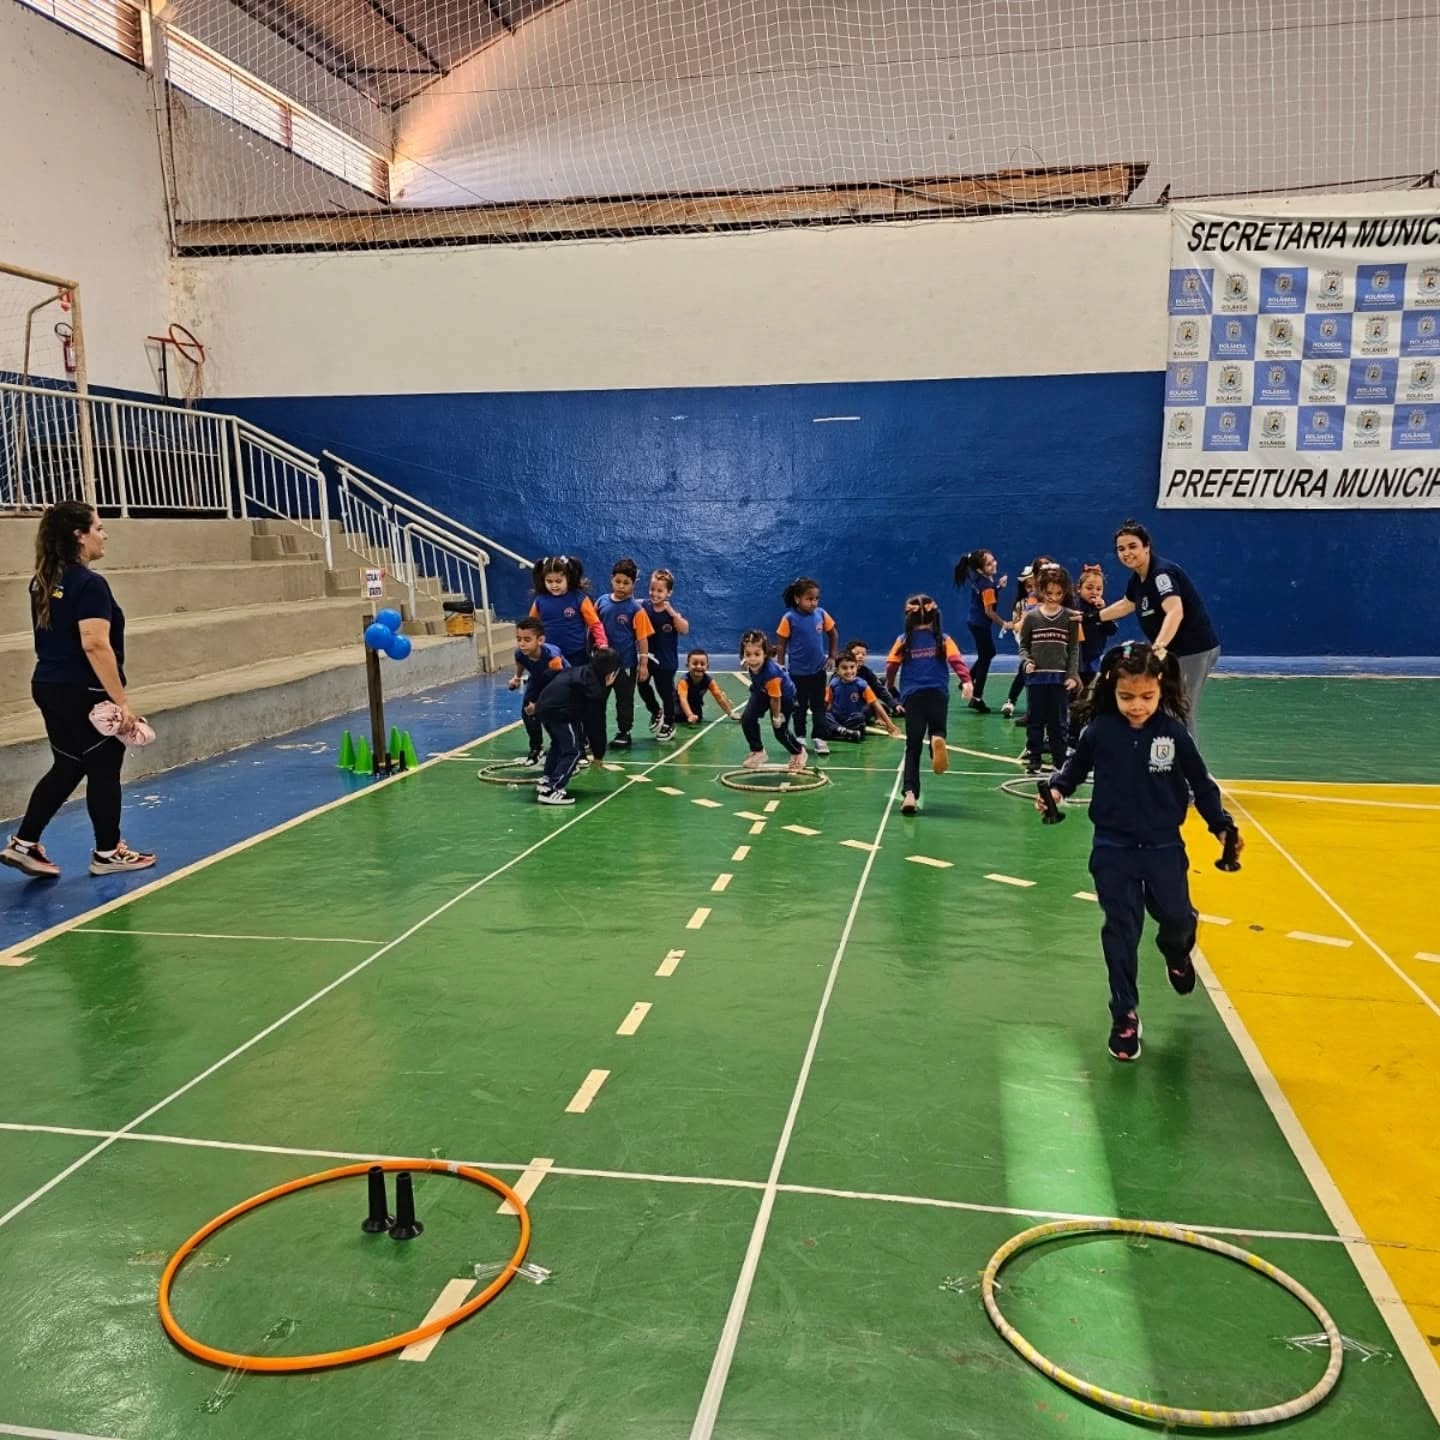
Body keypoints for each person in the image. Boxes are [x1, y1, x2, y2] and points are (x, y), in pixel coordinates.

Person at [1040, 642, 1241, 1062]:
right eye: (1127, 697)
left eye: (1147, 697)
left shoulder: (1173, 733)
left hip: (1164, 846)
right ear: (1111, 690)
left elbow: (1201, 785)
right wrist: (1056, 791)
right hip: (1112, 847)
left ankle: (1177, 953)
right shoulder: (1099, 731)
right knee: (1121, 930)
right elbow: (1073, 771)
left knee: (1177, 919)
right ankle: (1124, 1015)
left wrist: (1221, 825)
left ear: (1161, 688)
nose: (1137, 706)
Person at [1, 501, 155, 880]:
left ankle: (24, 843)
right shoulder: (89, 584)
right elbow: (94, 643)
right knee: (104, 764)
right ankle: (108, 852)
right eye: (98, 528)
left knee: (69, 763)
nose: (105, 535)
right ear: (79, 536)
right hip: (82, 689)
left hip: (47, 684)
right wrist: (121, 702)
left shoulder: (42, 581)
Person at [1099, 520, 1221, 737]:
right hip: (1173, 653)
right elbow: (1127, 604)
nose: (1127, 553)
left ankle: (1190, 759)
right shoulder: (1138, 578)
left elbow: (1175, 611)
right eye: (1121, 549)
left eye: (1132, 546)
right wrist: (1092, 617)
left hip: (1194, 650)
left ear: (1146, 547)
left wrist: (1158, 647)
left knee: (1181, 708)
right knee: (1165, 706)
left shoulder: (1161, 574)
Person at [884, 595, 974, 816]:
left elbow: (891, 665)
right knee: (937, 728)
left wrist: (889, 684)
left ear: (908, 617)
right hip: (938, 693)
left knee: (913, 746)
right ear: (935, 616)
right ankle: (936, 740)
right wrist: (966, 681)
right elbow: (956, 661)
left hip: (912, 695)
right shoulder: (943, 639)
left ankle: (910, 794)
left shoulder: (903, 640)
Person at [532, 647, 622, 806]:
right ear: (611, 674)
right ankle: (553, 789)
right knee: (573, 751)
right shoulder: (595, 689)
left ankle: (547, 780)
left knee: (559, 743)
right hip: (560, 713)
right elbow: (596, 724)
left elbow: (548, 676)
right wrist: (598, 754)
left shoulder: (582, 671)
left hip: (544, 707)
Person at [1017, 563, 1081, 774]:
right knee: (1035, 720)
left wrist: (1072, 675)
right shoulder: (1032, 617)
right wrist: (1027, 662)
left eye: (1059, 593)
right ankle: (1034, 758)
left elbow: (1074, 648)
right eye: (1049, 593)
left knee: (1058, 722)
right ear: (1040, 590)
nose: (1053, 597)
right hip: (1036, 679)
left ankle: (1059, 761)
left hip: (1059, 679)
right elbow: (1023, 646)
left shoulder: (1070, 617)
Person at [775, 577, 839, 755]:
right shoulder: (789, 618)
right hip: (797, 673)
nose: (813, 603)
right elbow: (781, 644)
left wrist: (832, 656)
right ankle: (800, 736)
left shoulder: (821, 614)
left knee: (819, 706)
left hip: (818, 671)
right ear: (797, 599)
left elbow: (833, 634)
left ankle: (820, 737)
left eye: (816, 599)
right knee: (799, 707)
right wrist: (780, 665)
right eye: (809, 599)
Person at [594, 557, 653, 749]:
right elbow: (593, 627)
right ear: (611, 579)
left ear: (634, 583)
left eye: (626, 583)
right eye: (617, 581)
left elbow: (642, 639)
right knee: (596, 698)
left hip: (626, 664)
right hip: (602, 665)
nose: (621, 586)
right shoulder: (601, 602)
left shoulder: (636, 610)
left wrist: (643, 665)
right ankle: (593, 733)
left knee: (624, 700)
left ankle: (624, 732)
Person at [738, 629, 806, 773]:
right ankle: (758, 751)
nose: (752, 659)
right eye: (748, 654)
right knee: (747, 719)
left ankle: (799, 752)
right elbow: (748, 660)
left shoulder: (772, 674)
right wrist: (745, 660)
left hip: (783, 697)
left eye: (757, 654)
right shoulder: (750, 663)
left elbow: (775, 699)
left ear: (765, 654)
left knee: (780, 732)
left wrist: (776, 717)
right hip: (762, 691)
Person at [953, 548, 1011, 712]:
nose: (994, 564)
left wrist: (998, 586)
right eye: (989, 564)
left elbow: (988, 594)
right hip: (980, 625)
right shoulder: (987, 587)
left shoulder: (982, 580)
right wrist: (1003, 624)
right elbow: (989, 611)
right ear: (980, 569)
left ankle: (967, 679)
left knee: (988, 653)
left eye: (993, 561)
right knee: (986, 657)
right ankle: (976, 698)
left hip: (975, 622)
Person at [507, 617, 568, 766]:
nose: (522, 644)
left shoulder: (553, 657)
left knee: (556, 714)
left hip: (561, 682)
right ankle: (536, 748)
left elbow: (557, 686)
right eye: (519, 639)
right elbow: (521, 662)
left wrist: (540, 705)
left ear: (540, 640)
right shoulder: (520, 653)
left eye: (527, 640)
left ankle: (571, 747)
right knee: (527, 713)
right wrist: (517, 678)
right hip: (537, 679)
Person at [528, 555, 607, 667]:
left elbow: (595, 624)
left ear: (568, 578)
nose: (554, 585)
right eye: (549, 581)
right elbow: (531, 626)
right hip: (550, 656)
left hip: (577, 655)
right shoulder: (540, 601)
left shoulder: (579, 598)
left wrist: (602, 643)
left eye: (558, 581)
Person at [637, 568, 688, 741]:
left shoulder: (671, 613)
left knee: (665, 692)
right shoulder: (643, 606)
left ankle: (669, 722)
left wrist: (673, 614)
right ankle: (656, 711)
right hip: (647, 657)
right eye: (652, 589)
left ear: (669, 593)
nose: (655, 593)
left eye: (660, 591)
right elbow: (629, 603)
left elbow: (685, 629)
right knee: (642, 684)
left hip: (666, 661)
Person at [1001, 555, 1052, 721]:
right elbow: (1019, 624)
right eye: (1029, 586)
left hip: (1052, 646)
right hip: (1031, 645)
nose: (1032, 588)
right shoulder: (1027, 602)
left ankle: (1048, 710)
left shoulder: (1058, 595)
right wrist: (1021, 622)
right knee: (1026, 673)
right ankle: (1017, 703)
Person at [825, 653, 900, 741]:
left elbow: (876, 704)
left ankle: (838, 731)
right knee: (824, 716)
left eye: (852, 667)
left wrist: (890, 725)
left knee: (859, 718)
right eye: (844, 668)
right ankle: (845, 732)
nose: (849, 671)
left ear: (856, 667)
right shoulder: (833, 684)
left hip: (852, 720)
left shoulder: (862, 685)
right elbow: (828, 704)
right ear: (837, 670)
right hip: (836, 718)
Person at [1074, 564, 1117, 691]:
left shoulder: (1102, 610)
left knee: (1090, 689)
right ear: (1079, 589)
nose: (1094, 592)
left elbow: (1111, 630)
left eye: (1099, 589)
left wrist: (1102, 611)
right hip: (1076, 659)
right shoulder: (1075, 607)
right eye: (1089, 588)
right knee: (1075, 689)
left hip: (1094, 659)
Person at [842, 640, 901, 715]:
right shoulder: (840, 673)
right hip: (853, 703)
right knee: (868, 710)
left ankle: (899, 705)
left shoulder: (866, 671)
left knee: (884, 681)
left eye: (864, 654)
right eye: (857, 653)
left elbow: (879, 690)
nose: (860, 656)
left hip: (866, 698)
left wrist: (894, 704)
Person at [677, 649, 737, 724]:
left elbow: (719, 697)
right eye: (695, 664)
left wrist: (731, 714)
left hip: (695, 704)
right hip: (678, 705)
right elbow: (683, 700)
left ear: (707, 666)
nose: (699, 666)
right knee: (678, 716)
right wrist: (690, 715)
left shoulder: (709, 681)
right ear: (687, 666)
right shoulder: (684, 681)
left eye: (702, 664)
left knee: (698, 718)